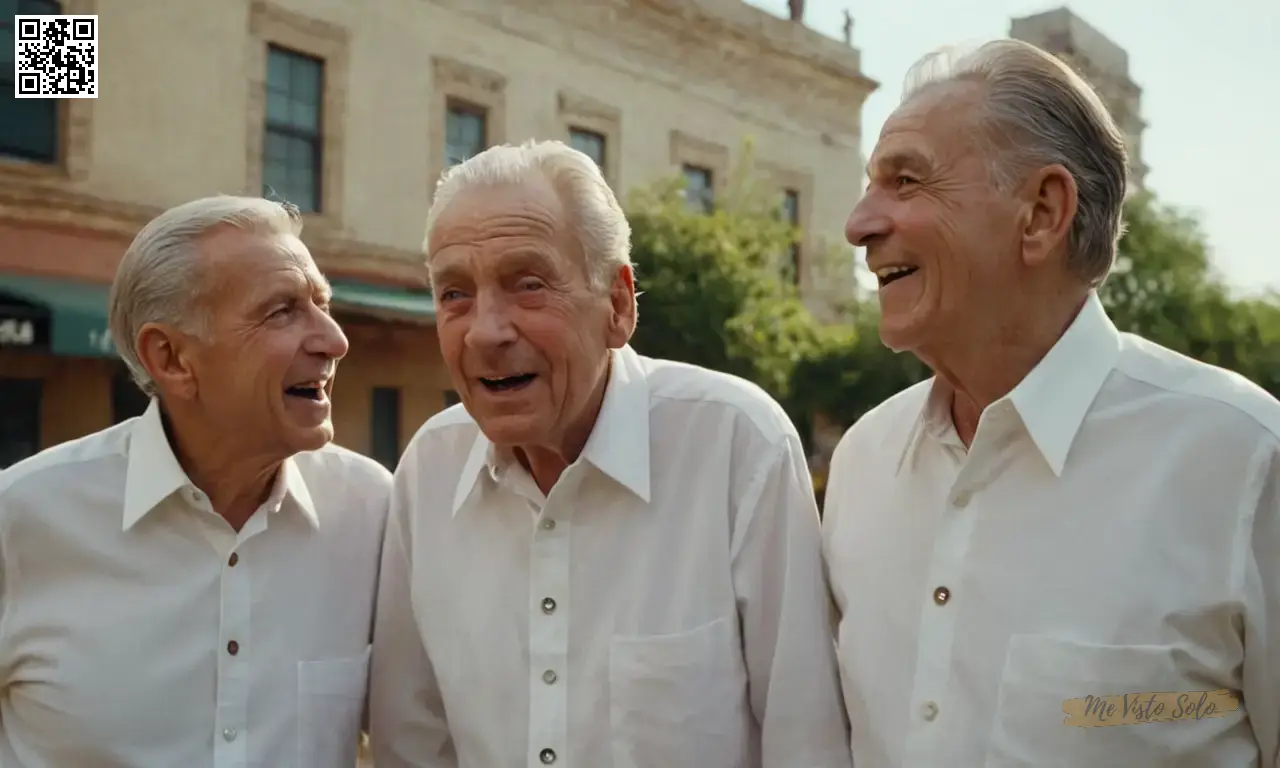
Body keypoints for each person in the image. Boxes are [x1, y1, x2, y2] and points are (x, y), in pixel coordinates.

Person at [826, 38, 1280, 767]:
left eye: (905, 181)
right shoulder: (862, 465)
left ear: (1041, 213)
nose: (859, 224)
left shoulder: (1244, 461)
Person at [369, 140, 850, 767]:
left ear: (618, 306)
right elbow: (412, 744)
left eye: (529, 285)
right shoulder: (428, 470)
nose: (486, 330)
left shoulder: (737, 445)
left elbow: (803, 739)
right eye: (454, 294)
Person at [0, 195, 391, 767]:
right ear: (173, 358)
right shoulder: (20, 519)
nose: (334, 340)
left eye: (321, 304)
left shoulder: (373, 512)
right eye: (283, 310)